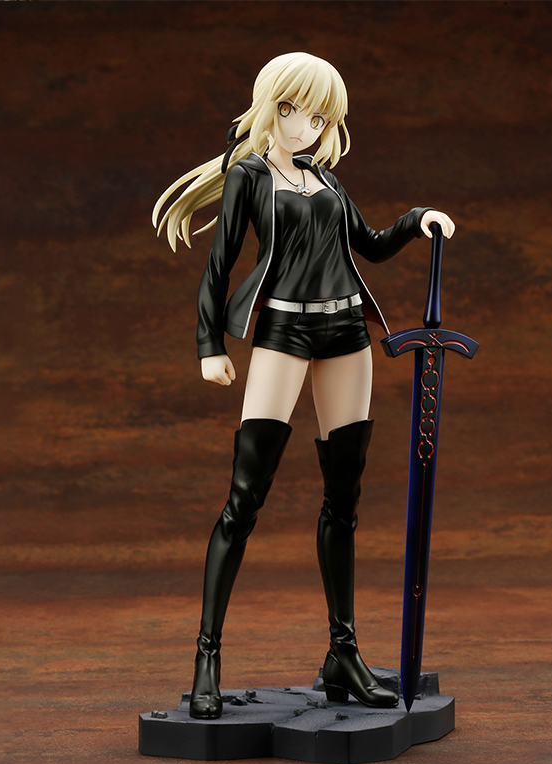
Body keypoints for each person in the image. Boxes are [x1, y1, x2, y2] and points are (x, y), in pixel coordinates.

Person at [152, 52, 454, 720]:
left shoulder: (328, 181)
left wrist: (417, 220)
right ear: (272, 106)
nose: (307, 126)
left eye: (320, 116)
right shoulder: (250, 177)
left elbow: (370, 245)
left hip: (346, 331)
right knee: (244, 498)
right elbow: (220, 265)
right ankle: (206, 657)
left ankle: (343, 653)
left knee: (343, 500)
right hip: (283, 332)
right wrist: (208, 344)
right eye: (294, 110)